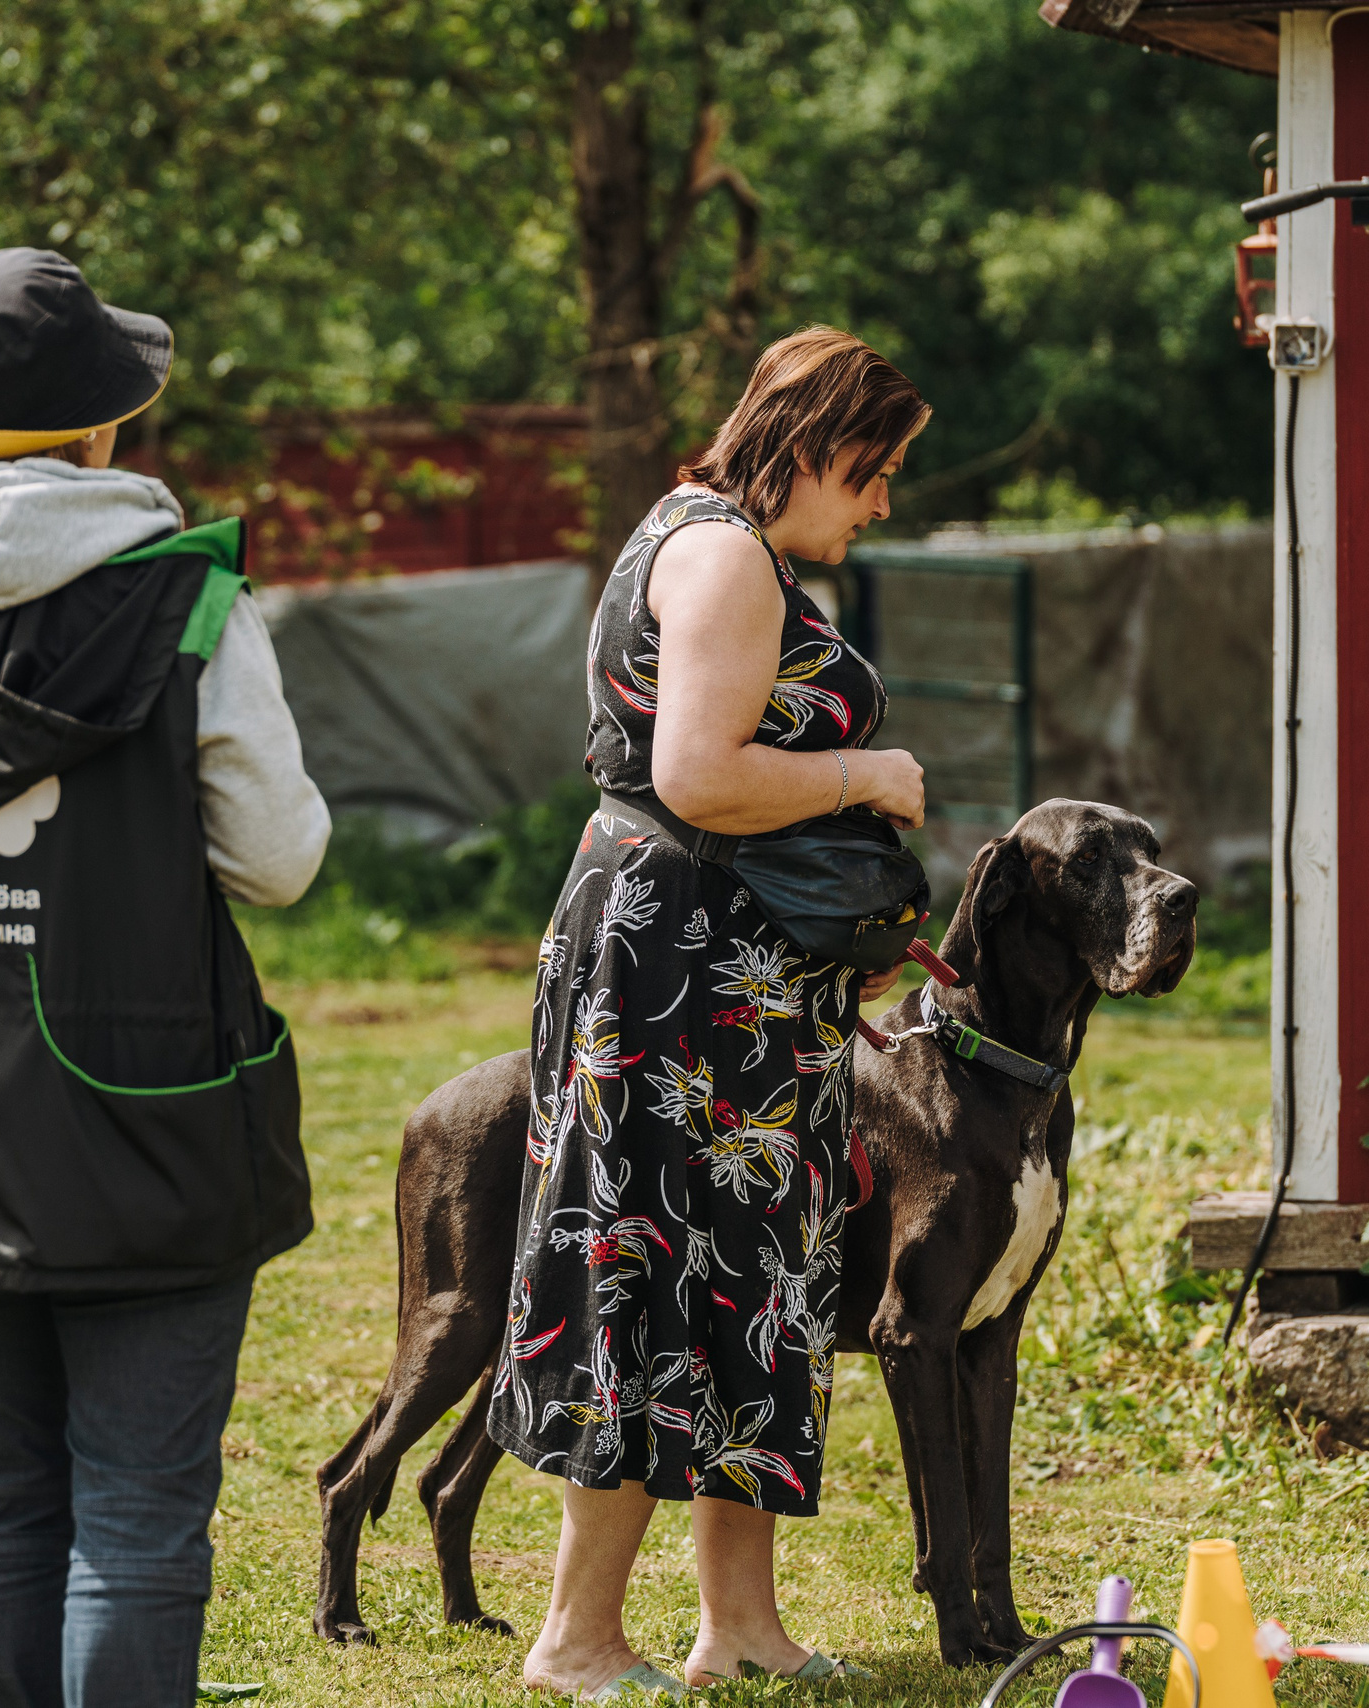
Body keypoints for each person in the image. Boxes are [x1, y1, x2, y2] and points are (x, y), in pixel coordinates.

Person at [0, 248, 330, 1708]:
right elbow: (278, 861)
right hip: (151, 1125)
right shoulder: (190, 604)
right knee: (138, 1518)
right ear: (101, 426)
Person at [490, 326, 931, 1698]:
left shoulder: (719, 543)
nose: (881, 503)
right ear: (816, 447)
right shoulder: (724, 555)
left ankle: (741, 1628)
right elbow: (699, 774)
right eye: (875, 472)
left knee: (755, 1282)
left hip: (731, 969)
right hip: (678, 974)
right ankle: (576, 1640)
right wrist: (869, 775)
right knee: (648, 1271)